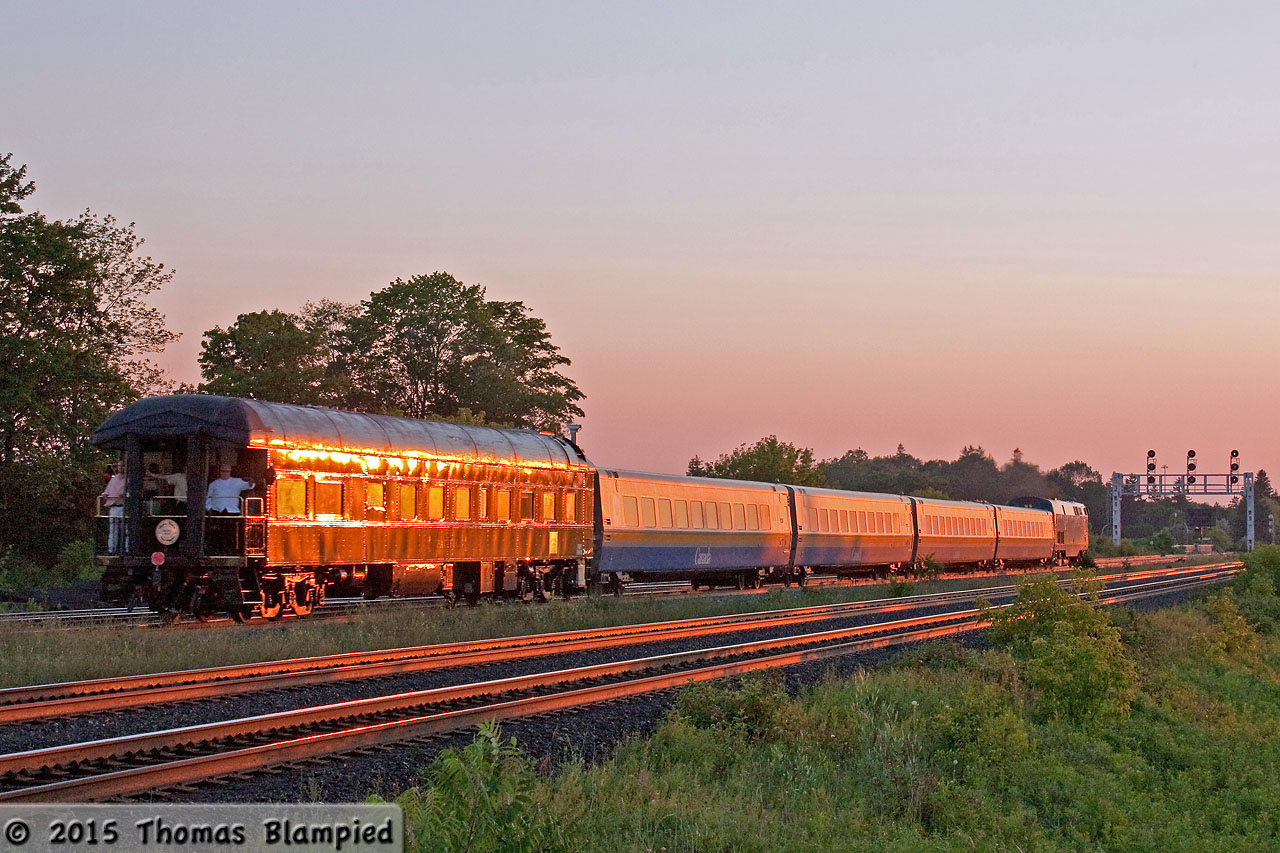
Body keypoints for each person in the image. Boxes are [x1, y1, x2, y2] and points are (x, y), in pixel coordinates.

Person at [100, 463, 126, 553]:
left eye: (122, 466)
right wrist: (105, 495)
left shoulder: (129, 480)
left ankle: (126, 549)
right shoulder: (113, 480)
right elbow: (107, 491)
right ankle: (111, 550)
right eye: (119, 466)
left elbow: (131, 492)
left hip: (124, 507)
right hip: (113, 507)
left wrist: (124, 494)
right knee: (113, 530)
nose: (121, 468)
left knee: (126, 530)